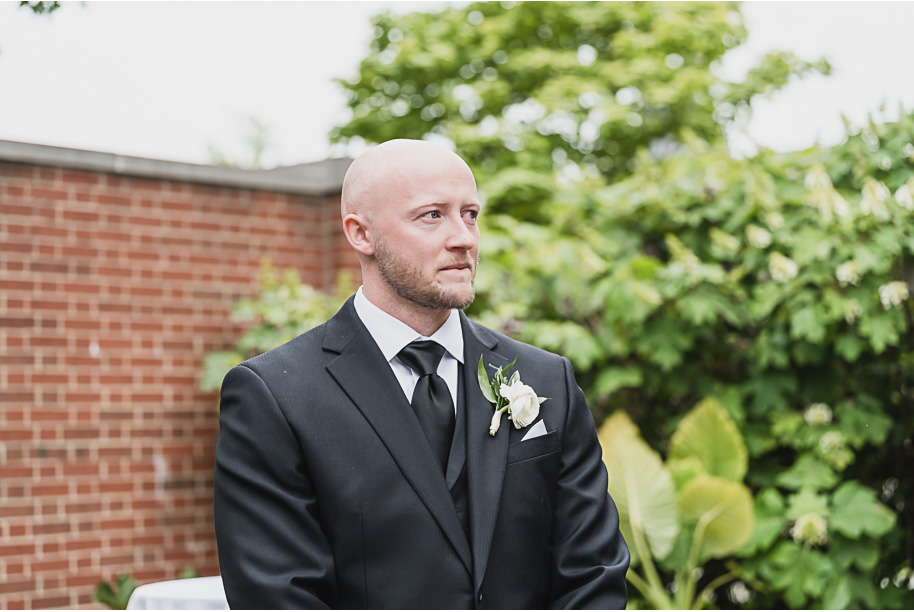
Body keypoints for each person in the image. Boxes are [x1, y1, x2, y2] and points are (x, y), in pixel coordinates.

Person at [213, 139, 629, 609]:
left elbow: (594, 575)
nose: (464, 238)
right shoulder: (276, 395)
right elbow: (280, 597)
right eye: (432, 215)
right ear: (360, 234)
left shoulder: (548, 380)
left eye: (470, 214)